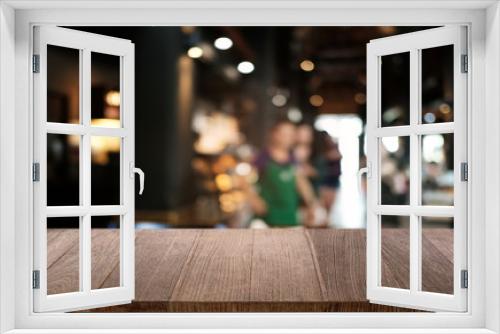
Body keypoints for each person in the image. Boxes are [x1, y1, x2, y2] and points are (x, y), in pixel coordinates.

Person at [246, 120, 320, 227]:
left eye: (291, 134)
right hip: (265, 219)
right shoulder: (263, 158)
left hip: (289, 217)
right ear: (274, 134)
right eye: (284, 134)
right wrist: (254, 199)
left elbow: (302, 183)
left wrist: (312, 205)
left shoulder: (293, 160)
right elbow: (245, 181)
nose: (288, 138)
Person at [315, 131, 342, 216]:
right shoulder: (320, 151)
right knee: (324, 204)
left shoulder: (333, 146)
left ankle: (327, 218)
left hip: (333, 179)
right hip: (325, 179)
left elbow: (339, 156)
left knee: (330, 204)